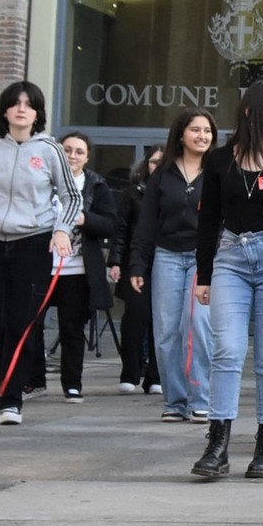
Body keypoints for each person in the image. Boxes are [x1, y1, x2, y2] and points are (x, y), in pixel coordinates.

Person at [193, 81, 263, 480]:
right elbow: (208, 220)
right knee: (226, 349)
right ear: (251, 112)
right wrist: (204, 276)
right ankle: (217, 444)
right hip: (230, 258)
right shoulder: (219, 160)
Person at [0, 82, 80, 426]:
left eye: (29, 104)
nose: (21, 109)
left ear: (37, 113)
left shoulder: (50, 150)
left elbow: (71, 197)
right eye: (15, 104)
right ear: (5, 111)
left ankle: (12, 399)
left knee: (21, 321)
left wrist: (61, 230)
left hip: (32, 241)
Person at [128, 109, 216, 424]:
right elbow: (147, 223)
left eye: (207, 131)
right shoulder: (163, 174)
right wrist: (138, 264)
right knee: (166, 332)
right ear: (181, 134)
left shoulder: (218, 170)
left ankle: (201, 398)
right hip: (166, 255)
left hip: (202, 258)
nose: (202, 136)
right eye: (195, 130)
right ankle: (175, 401)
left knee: (196, 327)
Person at [37, 132, 116, 402]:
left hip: (76, 269)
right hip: (40, 266)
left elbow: (109, 223)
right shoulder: (41, 180)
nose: (72, 156)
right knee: (30, 324)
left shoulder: (96, 185)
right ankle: (33, 380)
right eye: (67, 150)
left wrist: (84, 218)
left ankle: (72, 384)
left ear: (87, 156)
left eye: (79, 151)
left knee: (71, 328)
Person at [111, 152, 163, 395]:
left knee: (161, 321)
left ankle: (155, 376)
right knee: (135, 316)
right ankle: (130, 372)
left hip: (165, 261)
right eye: (154, 161)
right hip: (137, 262)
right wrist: (115, 262)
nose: (158, 166)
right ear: (146, 164)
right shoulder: (133, 193)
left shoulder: (175, 190)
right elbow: (120, 230)